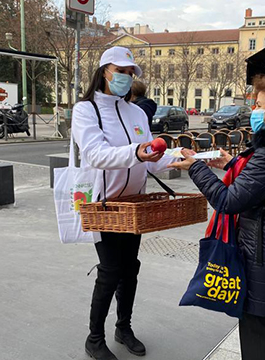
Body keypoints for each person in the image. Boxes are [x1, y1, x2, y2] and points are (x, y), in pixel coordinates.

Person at [170, 73, 265, 360]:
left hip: (262, 257)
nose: (255, 111)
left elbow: (228, 201)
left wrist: (196, 168)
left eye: (260, 105)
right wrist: (233, 162)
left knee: (260, 338)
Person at [71, 46, 177, 360]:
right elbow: (96, 155)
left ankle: (124, 327)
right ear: (104, 71)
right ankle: (94, 338)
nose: (127, 77)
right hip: (102, 205)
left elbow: (152, 161)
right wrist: (137, 151)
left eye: (131, 73)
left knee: (130, 268)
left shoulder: (136, 112)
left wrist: (179, 159)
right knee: (110, 270)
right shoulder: (86, 109)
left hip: (134, 204)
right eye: (121, 71)